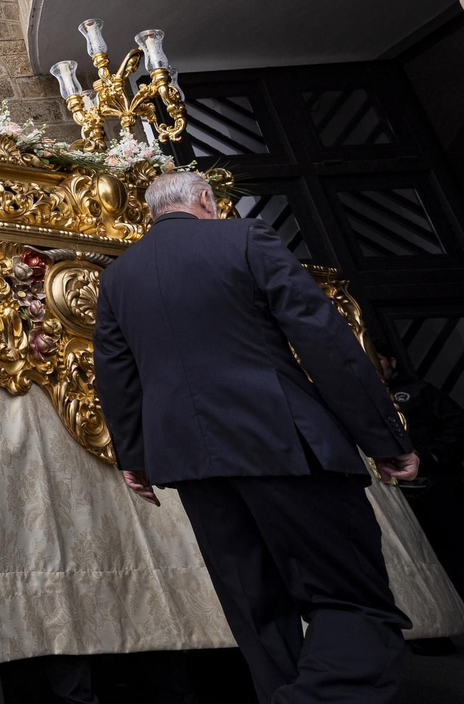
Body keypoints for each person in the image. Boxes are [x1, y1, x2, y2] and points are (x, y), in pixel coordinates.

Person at [93, 170, 421, 703]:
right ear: (205, 200)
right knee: (351, 596)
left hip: (192, 465)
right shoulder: (246, 237)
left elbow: (115, 375)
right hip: (283, 444)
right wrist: (384, 438)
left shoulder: (118, 277)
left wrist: (135, 458)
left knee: (257, 613)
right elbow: (322, 339)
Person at [376, 350, 464, 652]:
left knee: (452, 552)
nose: (374, 363)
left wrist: (428, 455)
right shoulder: (361, 397)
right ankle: (431, 636)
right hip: (393, 492)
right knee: (413, 560)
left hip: (436, 486)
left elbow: (458, 425)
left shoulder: (418, 392)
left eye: (378, 357)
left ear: (392, 361)